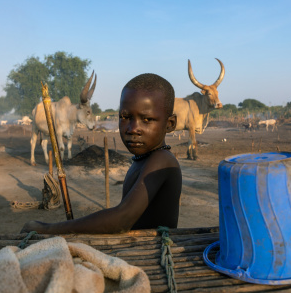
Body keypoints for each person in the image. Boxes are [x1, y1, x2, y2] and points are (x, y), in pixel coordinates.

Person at [21, 73, 182, 234]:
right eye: (125, 117)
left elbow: (122, 219)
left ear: (170, 124)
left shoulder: (162, 160)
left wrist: (47, 228)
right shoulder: (143, 160)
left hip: (153, 255)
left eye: (146, 119)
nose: (132, 128)